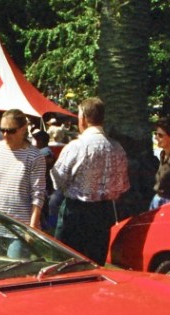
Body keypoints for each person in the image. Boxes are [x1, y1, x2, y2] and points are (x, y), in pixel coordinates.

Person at [51, 97, 130, 264]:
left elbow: (58, 179)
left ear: (83, 119)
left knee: (66, 263)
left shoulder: (77, 146)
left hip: (76, 213)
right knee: (95, 264)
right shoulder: (117, 148)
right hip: (104, 213)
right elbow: (121, 186)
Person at [0, 109, 46, 232]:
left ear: (23, 129)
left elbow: (38, 195)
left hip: (20, 229)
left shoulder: (34, 156)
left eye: (11, 131)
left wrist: (32, 229)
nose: (5, 134)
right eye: (2, 130)